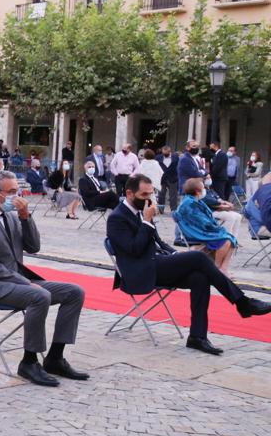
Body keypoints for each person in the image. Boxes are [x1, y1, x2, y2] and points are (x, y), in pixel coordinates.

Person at [107, 174, 270, 355]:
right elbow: (134, 250)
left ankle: (197, 337)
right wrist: (146, 221)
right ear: (130, 193)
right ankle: (243, 302)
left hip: (157, 263)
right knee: (198, 258)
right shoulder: (117, 218)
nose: (149, 199)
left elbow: (158, 242)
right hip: (139, 271)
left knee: (199, 277)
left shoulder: (142, 210)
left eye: (151, 194)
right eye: (144, 195)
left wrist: (176, 254)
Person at [0, 170, 87, 386]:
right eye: (12, 192)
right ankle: (29, 362)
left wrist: (25, 217)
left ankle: (55, 357)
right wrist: (25, 283)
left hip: (18, 281)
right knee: (39, 296)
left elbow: (34, 247)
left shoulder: (11, 217)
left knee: (74, 292)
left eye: (17, 190)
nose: (18, 195)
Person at [176, 178, 238, 273]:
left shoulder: (195, 200)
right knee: (225, 240)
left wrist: (217, 228)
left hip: (201, 230)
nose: (204, 189)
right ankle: (216, 268)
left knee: (230, 238)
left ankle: (223, 268)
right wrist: (217, 229)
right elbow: (203, 223)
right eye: (203, 188)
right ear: (197, 191)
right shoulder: (190, 203)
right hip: (196, 233)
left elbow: (205, 220)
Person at [157, 145, 180, 211]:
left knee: (173, 195)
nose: (165, 154)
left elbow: (178, 166)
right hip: (162, 178)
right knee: (161, 194)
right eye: (163, 153)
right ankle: (161, 209)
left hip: (173, 178)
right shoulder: (158, 157)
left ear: (169, 151)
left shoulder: (175, 157)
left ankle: (173, 209)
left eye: (166, 153)